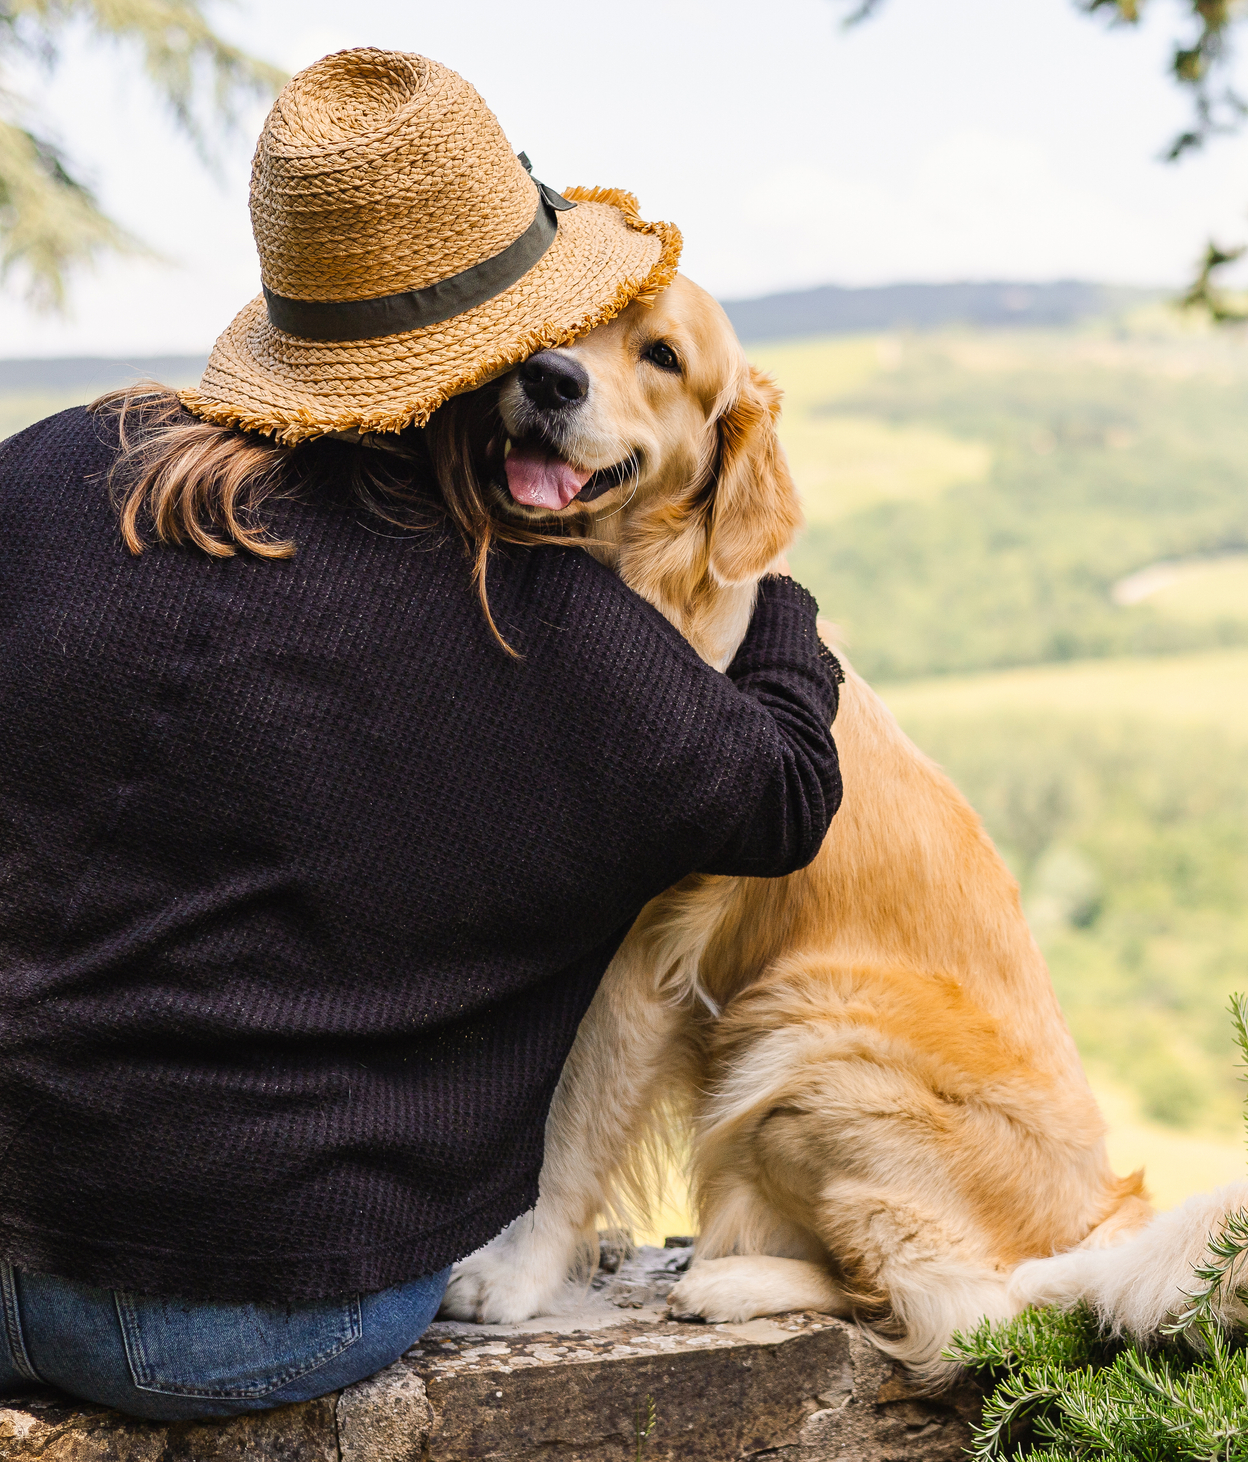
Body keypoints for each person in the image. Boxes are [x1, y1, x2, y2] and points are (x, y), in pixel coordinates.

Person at [0, 50, 843, 1421]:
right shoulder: (541, 623)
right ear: (514, 336)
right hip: (255, 1308)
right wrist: (773, 591)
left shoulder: (52, 466)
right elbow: (787, 791)